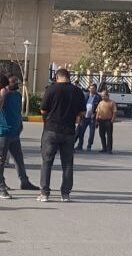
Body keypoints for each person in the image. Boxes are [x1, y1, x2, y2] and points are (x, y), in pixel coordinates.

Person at [38, 68, 86, 202]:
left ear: (57, 77)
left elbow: (43, 110)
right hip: (69, 131)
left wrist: (47, 120)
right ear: (68, 77)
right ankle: (65, 194)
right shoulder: (77, 91)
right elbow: (82, 112)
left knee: (47, 162)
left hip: (51, 130)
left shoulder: (51, 89)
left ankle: (44, 193)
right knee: (67, 163)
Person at [0, 76, 39, 191]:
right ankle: (0, 182)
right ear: (7, 84)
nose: (16, 83)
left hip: (15, 132)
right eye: (13, 82)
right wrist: (2, 94)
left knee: (19, 159)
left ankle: (24, 181)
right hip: (3, 132)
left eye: (16, 82)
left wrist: (20, 123)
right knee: (1, 159)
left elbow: (18, 112)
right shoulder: (2, 95)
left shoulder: (18, 95)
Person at [75, 83, 101, 152]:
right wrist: (79, 115)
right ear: (89, 89)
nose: (92, 89)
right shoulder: (85, 95)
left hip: (92, 117)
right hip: (84, 116)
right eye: (91, 88)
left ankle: (89, 146)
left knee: (91, 133)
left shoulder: (98, 97)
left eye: (93, 88)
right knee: (81, 132)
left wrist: (95, 115)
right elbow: (81, 105)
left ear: (96, 89)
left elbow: (100, 107)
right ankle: (80, 145)